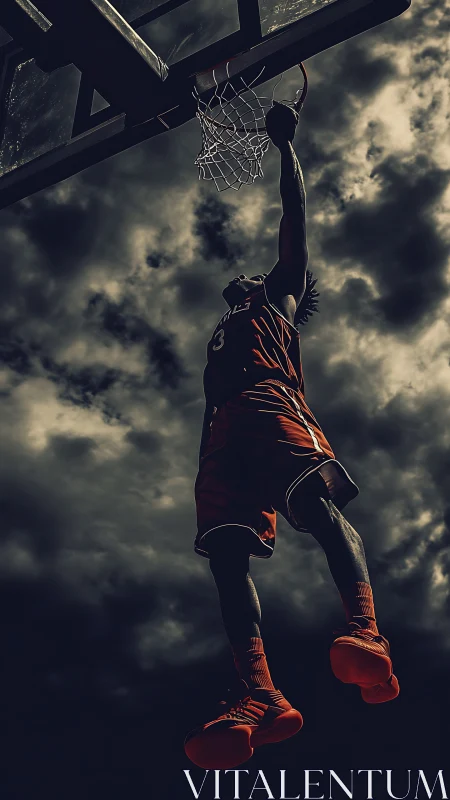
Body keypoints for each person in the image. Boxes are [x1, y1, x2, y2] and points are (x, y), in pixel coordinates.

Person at [184, 101, 399, 770]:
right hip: (222, 432)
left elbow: (294, 219)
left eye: (257, 272)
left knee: (313, 504)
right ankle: (262, 697)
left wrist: (286, 148)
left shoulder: (277, 296)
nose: (245, 274)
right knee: (225, 557)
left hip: (271, 404)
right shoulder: (223, 336)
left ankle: (367, 632)